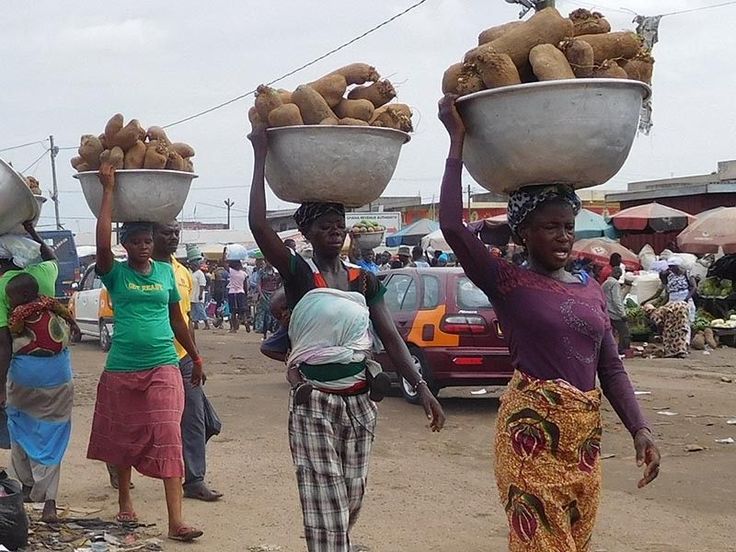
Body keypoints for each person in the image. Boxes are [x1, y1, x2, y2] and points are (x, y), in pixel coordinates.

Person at [438, 95, 659, 552]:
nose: (562, 235)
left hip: (583, 445)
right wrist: (456, 142)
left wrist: (640, 428)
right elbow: (453, 228)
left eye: (568, 226)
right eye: (549, 227)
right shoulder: (508, 282)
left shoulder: (590, 288)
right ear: (523, 232)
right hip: (529, 439)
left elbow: (611, 367)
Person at [248, 127, 445, 551]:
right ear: (309, 232)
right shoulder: (300, 275)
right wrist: (259, 154)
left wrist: (422, 386)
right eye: (325, 226)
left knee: (350, 497)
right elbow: (258, 225)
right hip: (314, 402)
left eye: (339, 225)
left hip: (360, 405)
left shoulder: (363, 279)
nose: (335, 232)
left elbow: (390, 337)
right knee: (326, 505)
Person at [86, 163, 204, 542]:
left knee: (168, 433)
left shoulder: (166, 274)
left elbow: (177, 321)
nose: (142, 246)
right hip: (121, 368)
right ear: (126, 246)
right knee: (122, 437)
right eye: (135, 241)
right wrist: (107, 191)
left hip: (164, 366)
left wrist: (196, 356)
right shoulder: (114, 273)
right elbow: (102, 243)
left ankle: (176, 521)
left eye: (147, 241)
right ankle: (125, 501)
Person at [0, 225, 71, 523]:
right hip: (57, 374)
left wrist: (0, 387)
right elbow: (49, 255)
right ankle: (49, 501)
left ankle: (28, 486)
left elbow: (4, 344)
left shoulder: (3, 287)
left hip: (23, 375)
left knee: (20, 428)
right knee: (53, 433)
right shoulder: (44, 276)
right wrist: (32, 228)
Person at [153, 222, 222, 502]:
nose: (172, 238)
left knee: (195, 419)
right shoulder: (136, 271)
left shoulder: (183, 273)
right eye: (165, 233)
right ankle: (120, 464)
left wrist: (196, 357)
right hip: (151, 358)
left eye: (175, 233)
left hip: (182, 358)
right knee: (146, 422)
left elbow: (187, 318)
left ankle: (194, 479)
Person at [602, 267, 631, 356]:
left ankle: (609, 350)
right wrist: (622, 314)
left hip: (607, 311)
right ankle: (623, 350)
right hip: (615, 313)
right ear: (617, 274)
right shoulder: (614, 283)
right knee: (625, 332)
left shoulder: (605, 283)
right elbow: (617, 299)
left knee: (609, 333)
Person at [255, 261, 282, 339]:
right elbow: (259, 284)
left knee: (273, 313)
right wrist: (261, 294)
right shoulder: (262, 271)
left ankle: (272, 330)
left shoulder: (275, 271)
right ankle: (263, 331)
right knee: (264, 314)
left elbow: (278, 283)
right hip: (264, 294)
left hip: (273, 294)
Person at [189, 255, 210, 330]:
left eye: (191, 266)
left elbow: (202, 284)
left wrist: (200, 294)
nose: (190, 267)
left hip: (198, 294)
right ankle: (195, 324)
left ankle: (206, 324)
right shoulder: (193, 273)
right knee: (193, 311)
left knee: (200, 310)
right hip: (192, 295)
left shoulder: (199, 273)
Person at [226, 260, 248, 333]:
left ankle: (233, 328)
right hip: (241, 292)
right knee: (242, 310)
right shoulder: (244, 274)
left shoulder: (231, 271)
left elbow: (223, 264)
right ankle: (245, 321)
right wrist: (246, 294)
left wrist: (224, 253)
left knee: (233, 312)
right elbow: (245, 286)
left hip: (232, 292)